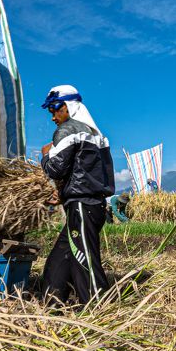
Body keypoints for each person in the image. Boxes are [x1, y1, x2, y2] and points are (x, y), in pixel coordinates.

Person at [39, 85, 115, 306]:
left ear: (67, 106)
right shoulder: (96, 134)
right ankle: (52, 304)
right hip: (92, 204)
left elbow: (56, 169)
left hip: (82, 205)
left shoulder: (67, 130)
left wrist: (45, 156)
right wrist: (64, 195)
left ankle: (99, 310)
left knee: (85, 260)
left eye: (54, 110)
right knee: (59, 259)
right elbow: (89, 175)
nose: (53, 117)